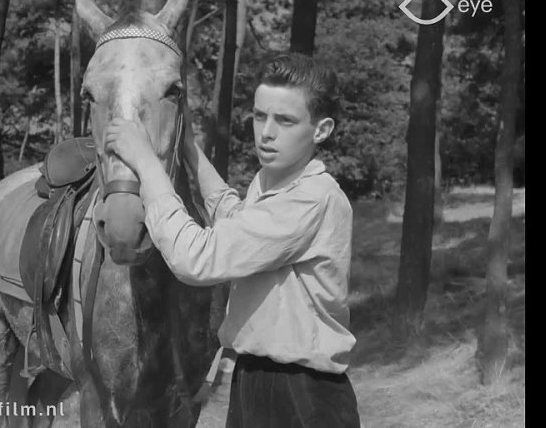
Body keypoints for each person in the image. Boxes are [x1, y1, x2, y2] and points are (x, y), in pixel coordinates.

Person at [104, 53, 361, 427]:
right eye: (260, 116)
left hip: (302, 395)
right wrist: (190, 150)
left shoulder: (311, 198)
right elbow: (234, 217)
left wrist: (146, 163)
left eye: (285, 121)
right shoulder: (273, 182)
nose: (266, 133)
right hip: (255, 380)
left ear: (321, 130)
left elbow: (196, 258)